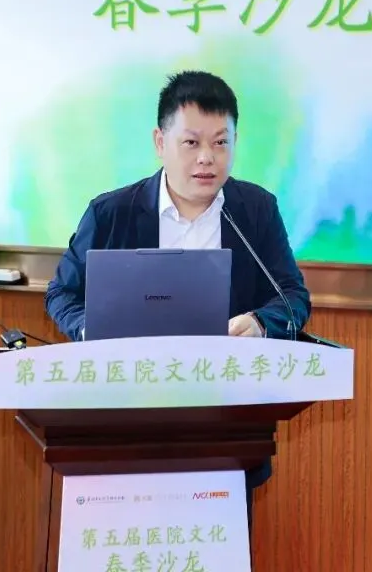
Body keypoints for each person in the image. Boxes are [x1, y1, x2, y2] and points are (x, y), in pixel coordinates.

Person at [44, 69, 312, 533]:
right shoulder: (111, 213)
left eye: (221, 142)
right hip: (125, 419)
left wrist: (259, 322)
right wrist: (92, 328)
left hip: (224, 429)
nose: (207, 158)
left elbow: (293, 297)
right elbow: (62, 293)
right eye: (191, 143)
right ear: (160, 142)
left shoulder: (255, 210)